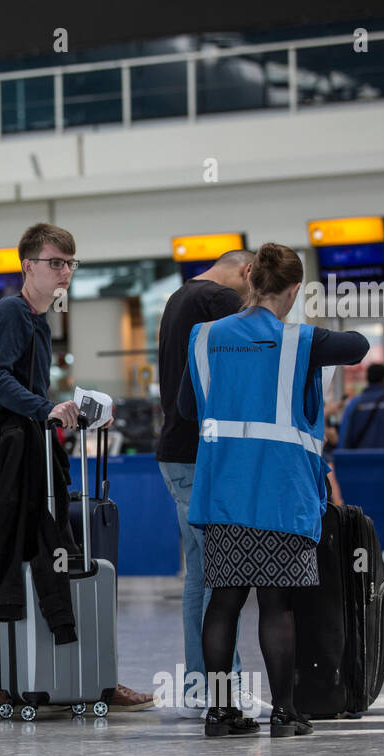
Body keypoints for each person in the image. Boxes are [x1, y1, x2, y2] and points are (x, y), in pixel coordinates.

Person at [181, 242, 369, 738]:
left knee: (222, 602)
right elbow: (358, 346)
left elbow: (184, 407)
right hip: (280, 495)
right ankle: (285, 714)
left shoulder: (204, 338)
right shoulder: (299, 341)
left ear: (248, 280)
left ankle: (219, 714)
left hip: (222, 491)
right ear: (292, 290)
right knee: (276, 606)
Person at [0, 222, 154, 712]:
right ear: (27, 265)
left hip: (33, 457)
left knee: (57, 558)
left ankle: (75, 674)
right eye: (55, 262)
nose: (65, 272)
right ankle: (27, 678)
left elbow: (19, 387)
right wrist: (44, 410)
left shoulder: (38, 319)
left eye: (70, 264)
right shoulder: (13, 312)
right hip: (15, 465)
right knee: (37, 559)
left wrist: (63, 407)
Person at [155, 248, 253, 716]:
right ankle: (224, 685)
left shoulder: (178, 298)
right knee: (223, 571)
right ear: (247, 272)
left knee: (201, 573)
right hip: (202, 456)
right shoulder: (220, 300)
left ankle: (200, 682)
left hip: (175, 453)